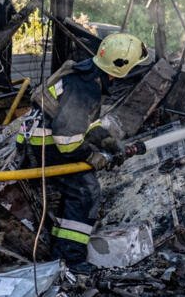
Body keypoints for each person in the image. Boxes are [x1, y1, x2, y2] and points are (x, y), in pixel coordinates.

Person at [16, 32, 149, 273]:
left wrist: (106, 141)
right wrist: (92, 157)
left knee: (75, 191)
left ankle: (59, 248)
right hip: (44, 148)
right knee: (86, 192)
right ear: (121, 68)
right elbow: (67, 140)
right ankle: (70, 259)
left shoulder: (88, 73)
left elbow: (83, 123)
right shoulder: (85, 88)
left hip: (37, 139)